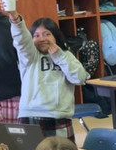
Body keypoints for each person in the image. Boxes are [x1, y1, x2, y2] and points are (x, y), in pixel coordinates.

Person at [6, 11, 90, 140]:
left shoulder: (66, 55)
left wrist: (59, 56)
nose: (42, 39)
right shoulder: (29, 56)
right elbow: (21, 41)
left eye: (47, 34)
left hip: (58, 117)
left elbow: (79, 78)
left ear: (55, 36)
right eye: (36, 35)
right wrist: (16, 20)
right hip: (30, 116)